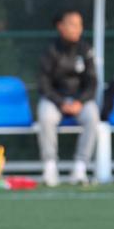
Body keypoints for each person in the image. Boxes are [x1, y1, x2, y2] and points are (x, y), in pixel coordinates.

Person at [37, 10, 99, 187]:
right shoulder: (50, 50)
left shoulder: (86, 50)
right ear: (60, 27)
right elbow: (44, 84)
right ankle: (50, 167)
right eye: (72, 24)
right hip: (55, 100)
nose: (77, 29)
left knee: (93, 115)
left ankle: (80, 168)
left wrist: (80, 101)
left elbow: (93, 82)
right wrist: (60, 102)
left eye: (79, 25)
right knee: (45, 116)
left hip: (80, 101)